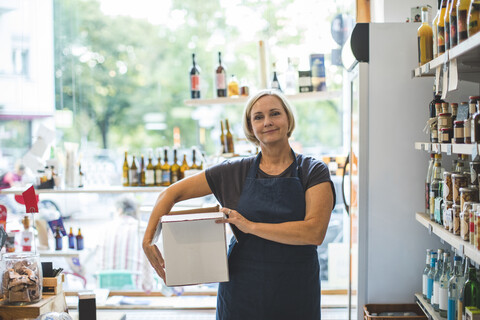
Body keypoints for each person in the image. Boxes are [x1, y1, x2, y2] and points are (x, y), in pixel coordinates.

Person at [143, 89, 335, 320]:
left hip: (295, 288)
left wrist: (250, 226)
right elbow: (169, 194)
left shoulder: (312, 170)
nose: (268, 122)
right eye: (258, 117)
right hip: (242, 289)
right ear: (250, 127)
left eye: (275, 113)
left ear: (288, 119)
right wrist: (148, 240)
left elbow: (314, 232)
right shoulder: (233, 171)